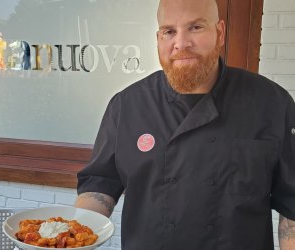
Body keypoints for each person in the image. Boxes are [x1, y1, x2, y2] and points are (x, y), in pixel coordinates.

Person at [75, 0, 295, 249]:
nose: (181, 43)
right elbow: (101, 183)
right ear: (158, 38)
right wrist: (67, 236)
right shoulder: (127, 106)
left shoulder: (271, 102)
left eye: (196, 27)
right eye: (169, 31)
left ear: (219, 33)